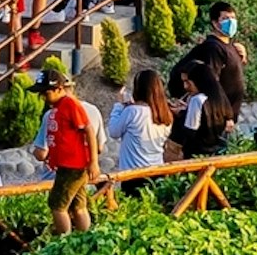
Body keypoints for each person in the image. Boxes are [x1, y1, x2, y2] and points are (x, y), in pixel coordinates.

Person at [35, 65, 105, 232]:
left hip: (73, 166)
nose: (43, 97)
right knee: (78, 205)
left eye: (46, 93)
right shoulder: (58, 108)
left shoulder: (69, 104)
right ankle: (84, 238)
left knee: (57, 205)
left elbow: (88, 129)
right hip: (68, 165)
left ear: (59, 88)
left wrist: (93, 162)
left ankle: (63, 242)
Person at [171, 6, 250, 151]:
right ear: (214, 23)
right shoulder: (213, 49)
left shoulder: (229, 46)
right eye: (225, 18)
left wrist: (242, 57)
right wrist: (225, 115)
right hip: (217, 119)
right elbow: (211, 83)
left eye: (233, 18)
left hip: (224, 117)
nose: (231, 22)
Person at [110, 67, 173, 174]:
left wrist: (119, 106)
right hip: (156, 168)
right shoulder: (166, 114)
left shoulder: (133, 111)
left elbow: (113, 131)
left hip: (133, 171)